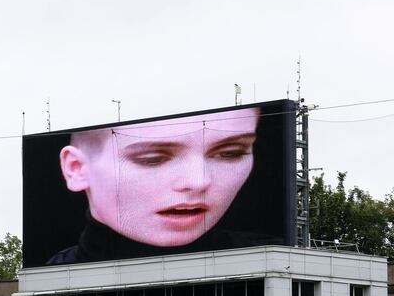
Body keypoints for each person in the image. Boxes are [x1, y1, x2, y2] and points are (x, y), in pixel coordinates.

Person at [48, 107, 278, 264]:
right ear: (76, 168)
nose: (199, 181)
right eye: (153, 158)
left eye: (230, 153)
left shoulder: (277, 260)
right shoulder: (50, 280)